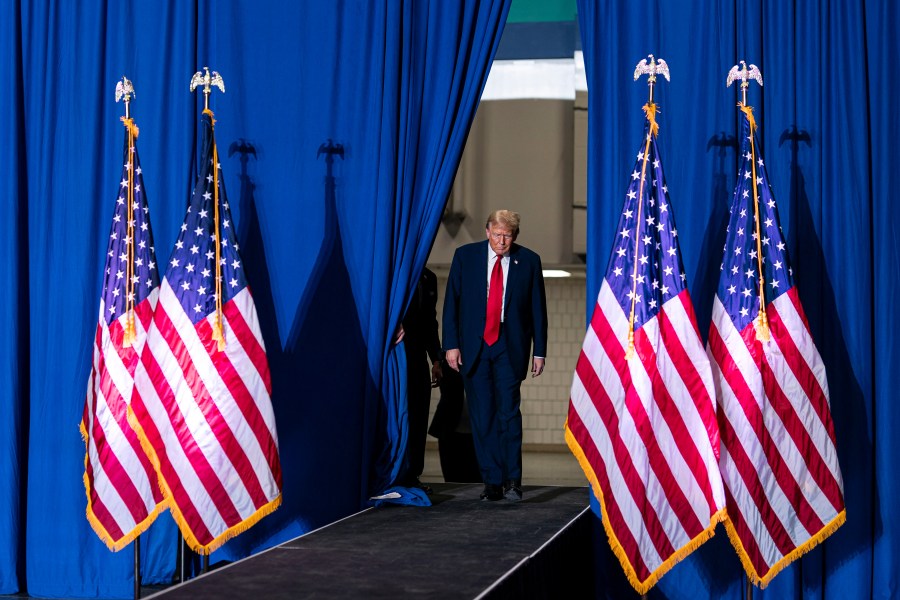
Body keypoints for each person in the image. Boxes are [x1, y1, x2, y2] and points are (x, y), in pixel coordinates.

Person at [442, 210, 547, 502]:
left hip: (509, 346)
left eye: (507, 236)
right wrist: (451, 345)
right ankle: (492, 481)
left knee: (509, 414)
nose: (501, 241)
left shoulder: (529, 260)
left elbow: (538, 309)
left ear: (515, 236)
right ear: (487, 231)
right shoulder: (465, 257)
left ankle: (512, 481)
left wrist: (539, 351)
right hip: (474, 347)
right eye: (497, 234)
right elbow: (452, 303)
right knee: (482, 416)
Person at [395, 266, 443, 493]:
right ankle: (393, 472)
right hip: (394, 355)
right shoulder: (393, 269)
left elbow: (430, 322)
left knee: (418, 414)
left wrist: (436, 359)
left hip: (417, 356)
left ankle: (413, 474)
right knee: (397, 415)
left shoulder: (428, 277)